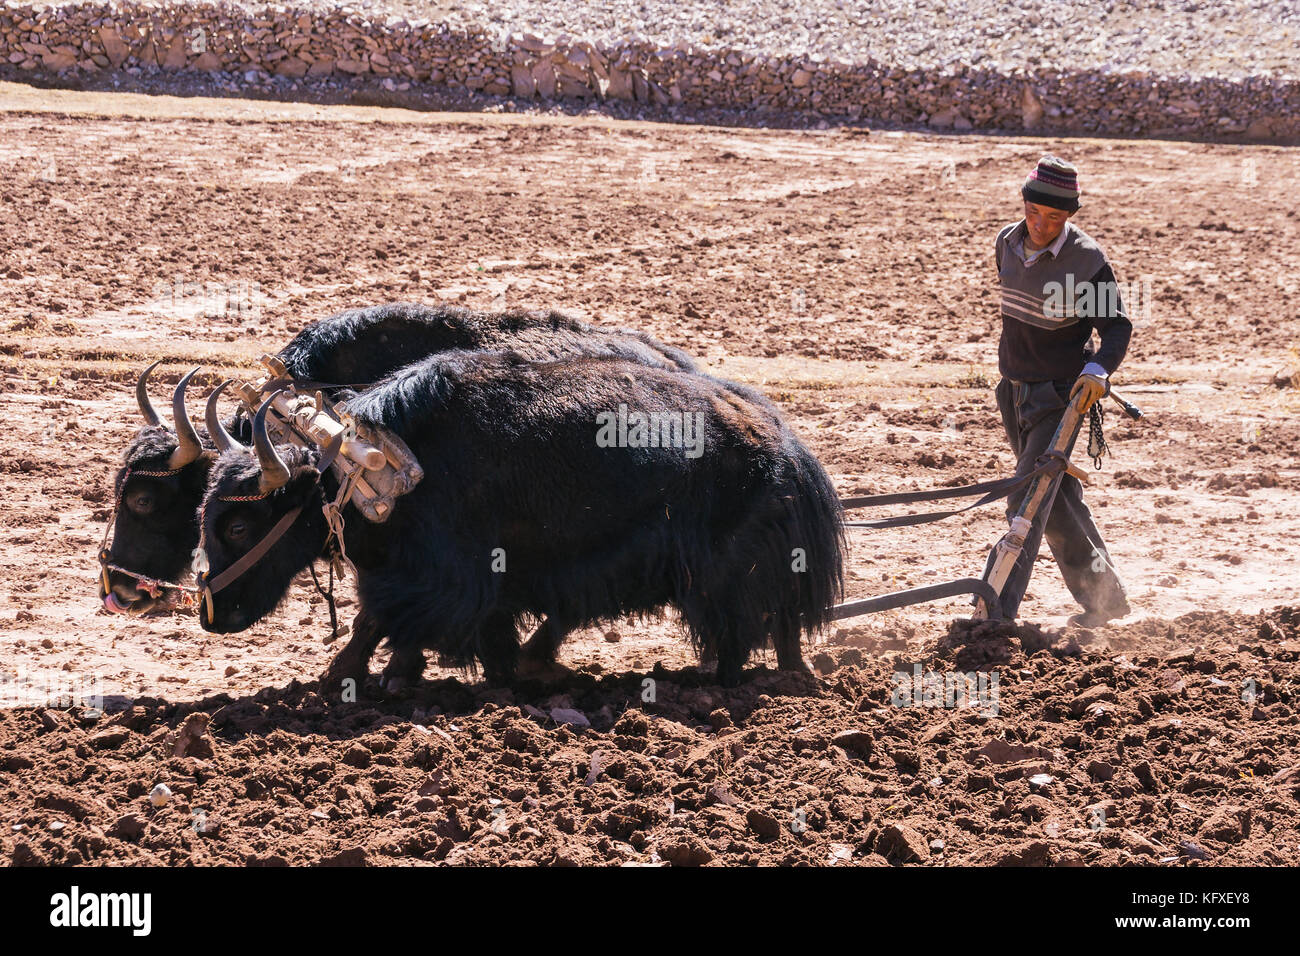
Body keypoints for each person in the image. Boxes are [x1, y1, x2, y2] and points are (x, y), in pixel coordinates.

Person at [980, 155, 1132, 627]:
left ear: (1069, 217)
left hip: (1062, 397)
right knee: (1056, 496)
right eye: (1035, 213)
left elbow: (1117, 329)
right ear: (1024, 203)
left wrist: (1098, 371)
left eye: (1055, 217)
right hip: (1014, 392)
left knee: (1026, 498)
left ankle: (995, 610)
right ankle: (1105, 598)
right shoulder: (1006, 241)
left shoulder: (1087, 263)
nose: (1042, 225)